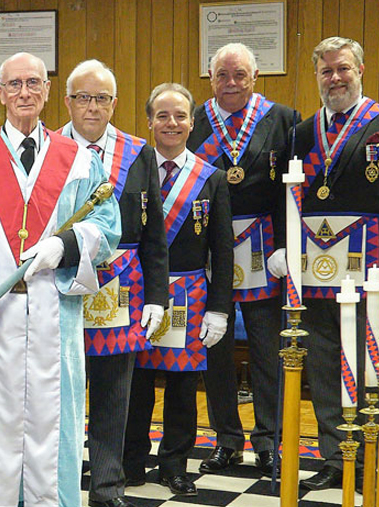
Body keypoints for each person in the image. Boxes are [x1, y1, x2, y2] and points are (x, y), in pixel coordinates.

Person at [0, 51, 120, 507]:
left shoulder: (79, 160)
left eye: (33, 84)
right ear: (0, 92)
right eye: (14, 84)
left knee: (51, 422)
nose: (24, 93)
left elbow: (108, 223)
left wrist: (68, 245)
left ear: (46, 92)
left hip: (52, 313)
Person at [284, 36, 379, 490]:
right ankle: (333, 457)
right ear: (317, 77)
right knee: (323, 365)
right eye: (326, 71)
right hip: (316, 271)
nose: (335, 78)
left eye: (343, 68)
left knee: (366, 366)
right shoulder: (302, 133)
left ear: (360, 70)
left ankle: (370, 457)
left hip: (374, 272)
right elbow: (292, 198)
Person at [186, 42, 301, 477]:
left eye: (240, 75)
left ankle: (268, 440)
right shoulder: (193, 121)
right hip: (210, 250)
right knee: (215, 350)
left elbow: (294, 187)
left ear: (255, 77)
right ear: (210, 78)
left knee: (266, 348)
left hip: (265, 248)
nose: (230, 83)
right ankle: (227, 440)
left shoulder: (284, 119)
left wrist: (286, 245)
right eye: (222, 75)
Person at [59, 59, 168, 507]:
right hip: (61, 283)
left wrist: (158, 297)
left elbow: (155, 231)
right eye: (83, 97)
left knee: (112, 396)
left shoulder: (139, 150)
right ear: (67, 102)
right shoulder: (48, 148)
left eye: (101, 98)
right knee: (60, 392)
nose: (92, 107)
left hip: (121, 289)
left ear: (114, 103)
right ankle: (59, 486)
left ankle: (107, 489)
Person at [124, 83, 233, 498]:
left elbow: (223, 251)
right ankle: (131, 462)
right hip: (138, 292)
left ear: (192, 121)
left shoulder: (212, 178)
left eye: (180, 116)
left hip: (190, 295)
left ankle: (174, 465)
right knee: (135, 385)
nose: (172, 124)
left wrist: (219, 309)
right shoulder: (133, 169)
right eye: (163, 116)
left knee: (182, 389)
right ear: (149, 121)